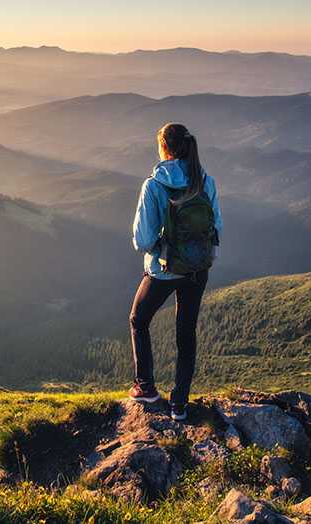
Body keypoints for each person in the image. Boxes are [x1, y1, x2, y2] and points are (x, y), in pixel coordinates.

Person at [128, 122, 222, 421]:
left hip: (164, 269)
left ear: (163, 147)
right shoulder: (206, 181)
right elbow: (216, 226)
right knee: (186, 333)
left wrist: (162, 247)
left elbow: (142, 240)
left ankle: (146, 388)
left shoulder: (154, 185)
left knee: (139, 319)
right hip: (197, 268)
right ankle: (179, 404)